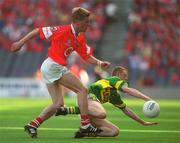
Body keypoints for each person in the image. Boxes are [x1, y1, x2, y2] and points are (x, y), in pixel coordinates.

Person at [10, 7, 111, 138]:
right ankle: (85, 125)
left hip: (52, 67)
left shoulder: (79, 37)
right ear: (78, 22)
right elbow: (37, 31)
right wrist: (20, 43)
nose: (89, 24)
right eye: (87, 21)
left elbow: (86, 56)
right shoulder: (63, 30)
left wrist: (99, 63)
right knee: (82, 90)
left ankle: (33, 125)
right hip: (53, 65)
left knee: (58, 104)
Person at [55, 66, 158, 138]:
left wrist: (143, 122)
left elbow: (126, 110)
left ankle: (86, 132)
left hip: (90, 111)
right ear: (118, 74)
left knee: (114, 131)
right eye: (124, 75)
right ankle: (67, 110)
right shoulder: (114, 79)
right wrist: (147, 99)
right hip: (87, 98)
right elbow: (129, 90)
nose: (126, 79)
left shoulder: (114, 95)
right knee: (102, 113)